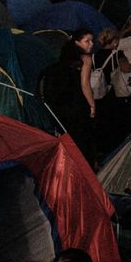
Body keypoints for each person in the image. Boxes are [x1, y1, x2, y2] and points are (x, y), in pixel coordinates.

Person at [41, 29, 96, 163]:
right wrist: (92, 104)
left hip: (62, 106)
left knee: (72, 138)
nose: (91, 44)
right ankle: (89, 164)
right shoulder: (86, 58)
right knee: (84, 136)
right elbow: (85, 84)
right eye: (87, 41)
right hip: (77, 103)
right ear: (77, 42)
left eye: (92, 40)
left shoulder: (64, 57)